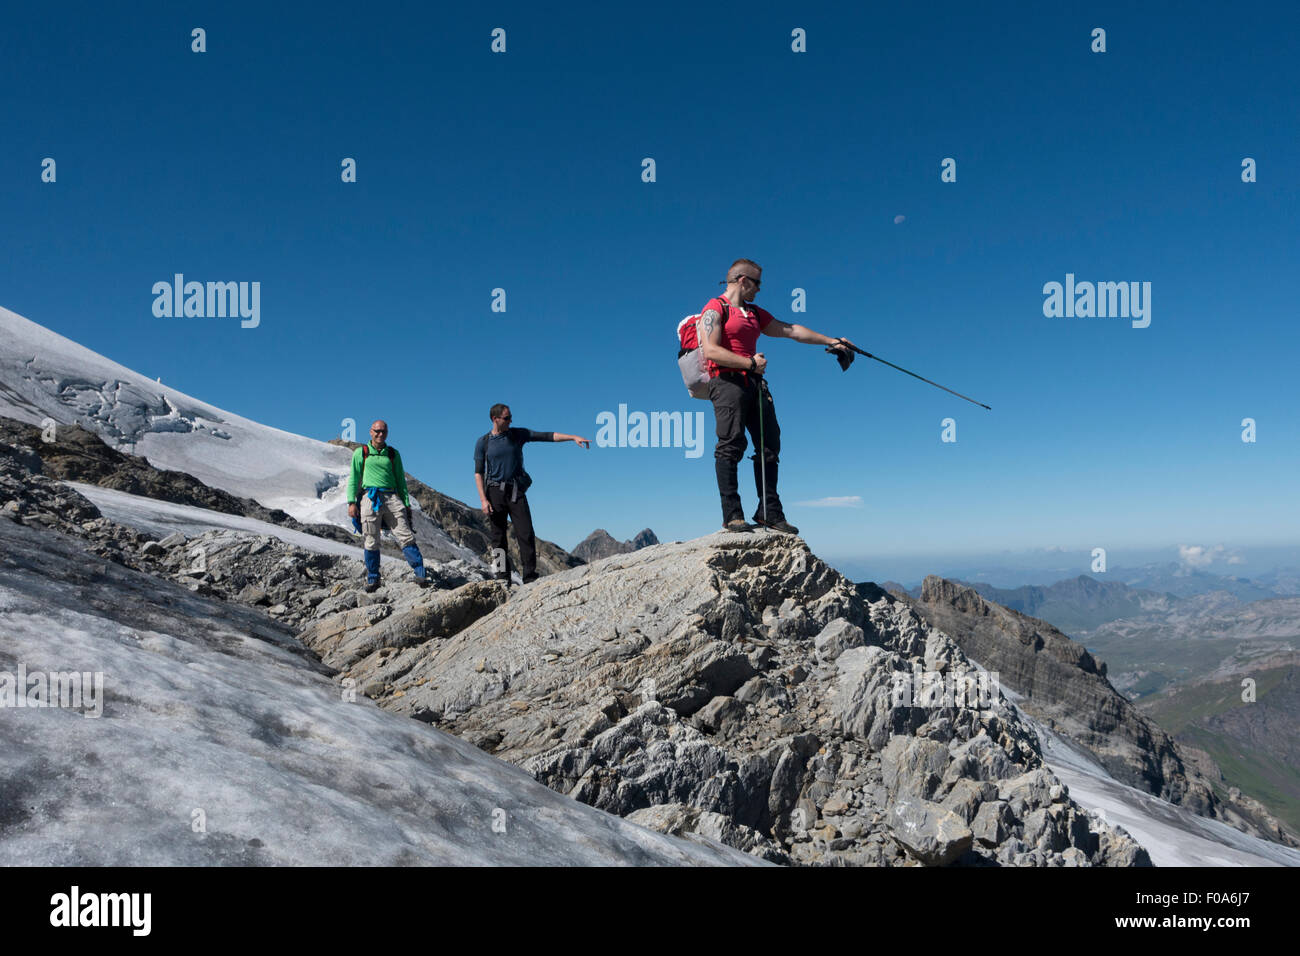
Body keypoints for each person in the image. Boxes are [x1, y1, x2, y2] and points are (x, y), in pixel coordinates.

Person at [699, 259, 855, 534]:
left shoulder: (754, 314)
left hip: (754, 383)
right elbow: (710, 350)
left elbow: (792, 330)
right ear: (743, 280)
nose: (760, 289)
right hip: (726, 382)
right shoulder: (714, 308)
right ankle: (733, 514)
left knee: (770, 445)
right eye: (758, 283)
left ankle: (769, 511)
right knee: (731, 444)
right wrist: (749, 363)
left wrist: (833, 341)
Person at [474, 404, 589, 584]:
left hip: (515, 491)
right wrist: (483, 499)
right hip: (494, 493)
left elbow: (547, 436)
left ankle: (530, 577)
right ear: (495, 419)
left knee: (526, 533)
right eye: (507, 418)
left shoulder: (516, 435)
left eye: (510, 416)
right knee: (498, 538)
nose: (511, 420)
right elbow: (478, 473)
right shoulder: (483, 442)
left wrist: (572, 437)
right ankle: (502, 577)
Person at [346, 420, 428, 592]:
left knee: (405, 534)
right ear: (370, 432)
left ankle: (420, 572)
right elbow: (354, 478)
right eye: (377, 431)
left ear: (387, 433)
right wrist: (351, 502)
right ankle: (373, 578)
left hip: (391, 496)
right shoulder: (361, 453)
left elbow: (400, 480)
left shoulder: (393, 454)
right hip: (370, 497)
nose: (380, 434)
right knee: (371, 539)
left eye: (383, 431)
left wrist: (406, 504)